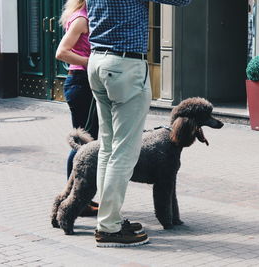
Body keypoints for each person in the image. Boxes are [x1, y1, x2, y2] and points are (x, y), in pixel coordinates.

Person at [87, 0, 192, 247]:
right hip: (124, 66)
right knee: (124, 151)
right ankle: (109, 227)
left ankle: (108, 218)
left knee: (108, 148)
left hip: (97, 61)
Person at [56, 0, 99, 216]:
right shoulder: (83, 18)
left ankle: (80, 199)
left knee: (85, 143)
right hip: (82, 84)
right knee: (83, 145)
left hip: (81, 84)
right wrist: (90, 61)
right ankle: (75, 201)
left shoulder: (84, 14)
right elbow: (61, 52)